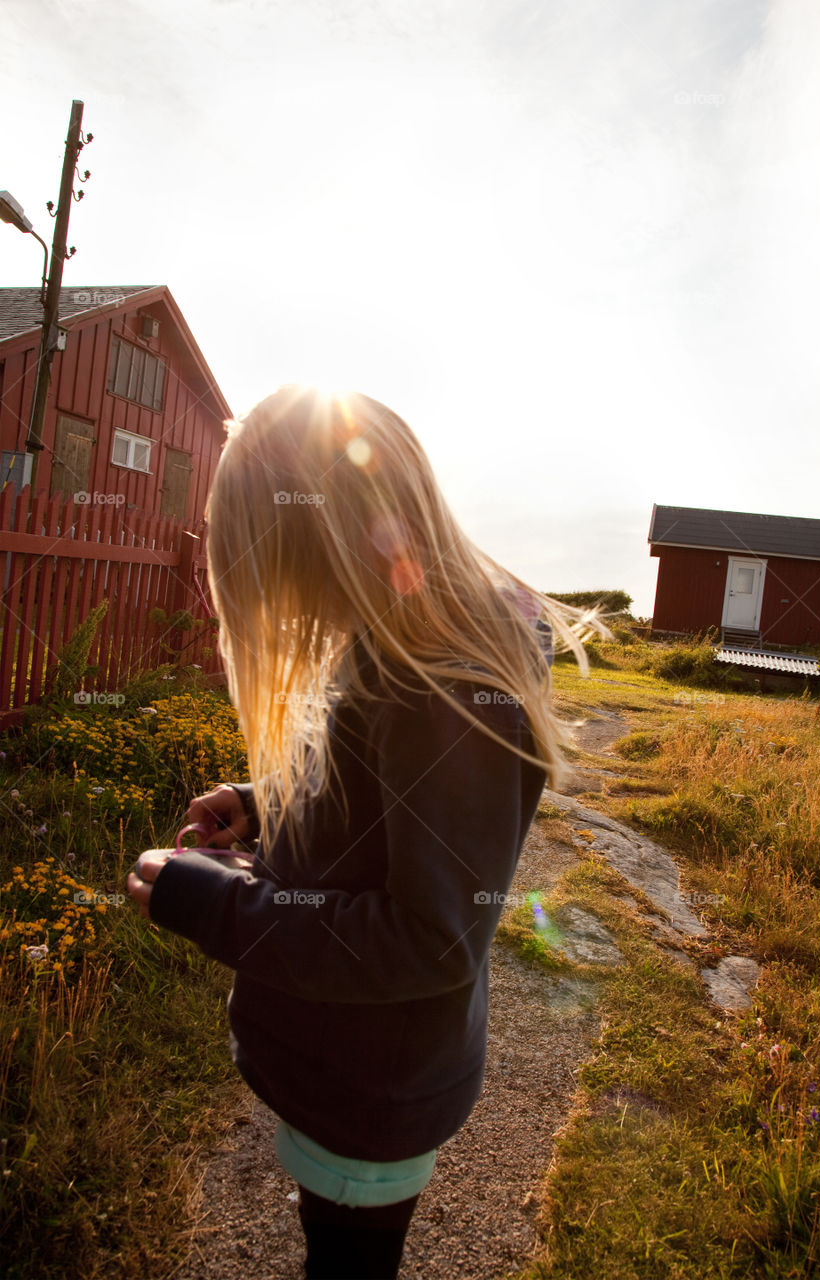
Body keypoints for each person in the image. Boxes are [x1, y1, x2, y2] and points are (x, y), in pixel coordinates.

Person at [127, 384, 603, 1279]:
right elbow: (381, 794)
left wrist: (216, 905)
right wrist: (265, 800)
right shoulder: (393, 634)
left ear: (313, 538)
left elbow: (430, 938)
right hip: (346, 1062)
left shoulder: (443, 679)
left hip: (366, 1086)